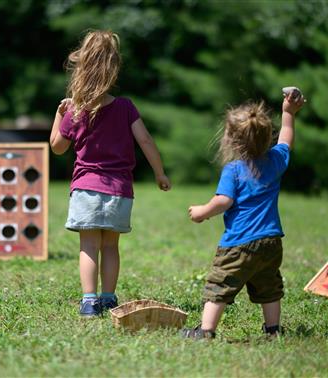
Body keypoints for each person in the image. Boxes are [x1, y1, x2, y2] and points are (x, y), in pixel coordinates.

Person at [49, 30, 171, 317]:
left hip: (85, 189)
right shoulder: (125, 107)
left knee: (89, 245)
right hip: (119, 191)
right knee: (111, 246)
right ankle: (108, 297)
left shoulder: (75, 111)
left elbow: (57, 147)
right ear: (113, 69)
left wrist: (59, 114)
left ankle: (89, 301)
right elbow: (146, 141)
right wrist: (159, 173)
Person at [182, 91, 305, 339]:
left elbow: (224, 201)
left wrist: (202, 212)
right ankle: (273, 330)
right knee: (269, 286)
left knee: (220, 285)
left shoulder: (234, 170)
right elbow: (286, 140)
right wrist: (288, 113)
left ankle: (206, 331)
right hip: (271, 241)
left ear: (231, 140)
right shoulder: (275, 160)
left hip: (239, 243)